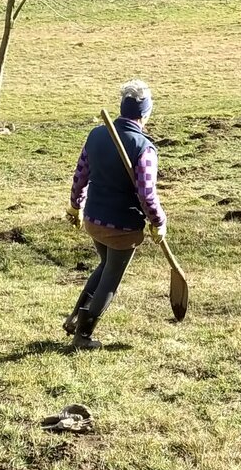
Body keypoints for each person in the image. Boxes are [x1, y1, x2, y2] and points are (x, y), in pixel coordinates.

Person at [64, 80, 166, 350]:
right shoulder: (144, 148)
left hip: (93, 220)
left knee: (104, 265)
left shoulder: (96, 135)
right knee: (111, 277)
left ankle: (75, 318)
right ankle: (83, 336)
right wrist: (159, 222)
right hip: (123, 227)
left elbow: (80, 176)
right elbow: (147, 194)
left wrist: (75, 206)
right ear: (145, 113)